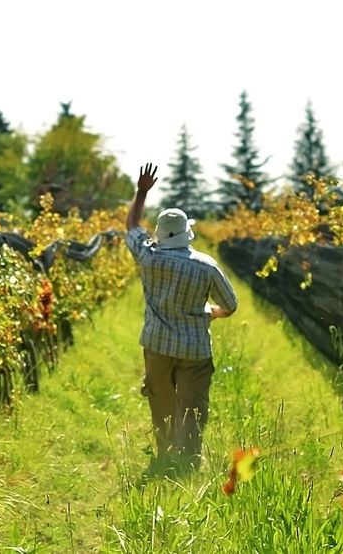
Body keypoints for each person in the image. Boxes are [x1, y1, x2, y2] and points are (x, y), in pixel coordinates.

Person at [125, 163, 238, 472]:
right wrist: (213, 313)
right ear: (188, 234)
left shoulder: (148, 256)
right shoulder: (206, 265)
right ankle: (187, 464)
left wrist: (141, 192)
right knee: (192, 407)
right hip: (195, 350)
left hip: (157, 347)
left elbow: (132, 225)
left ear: (160, 234)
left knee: (162, 403)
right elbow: (231, 304)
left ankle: (165, 457)